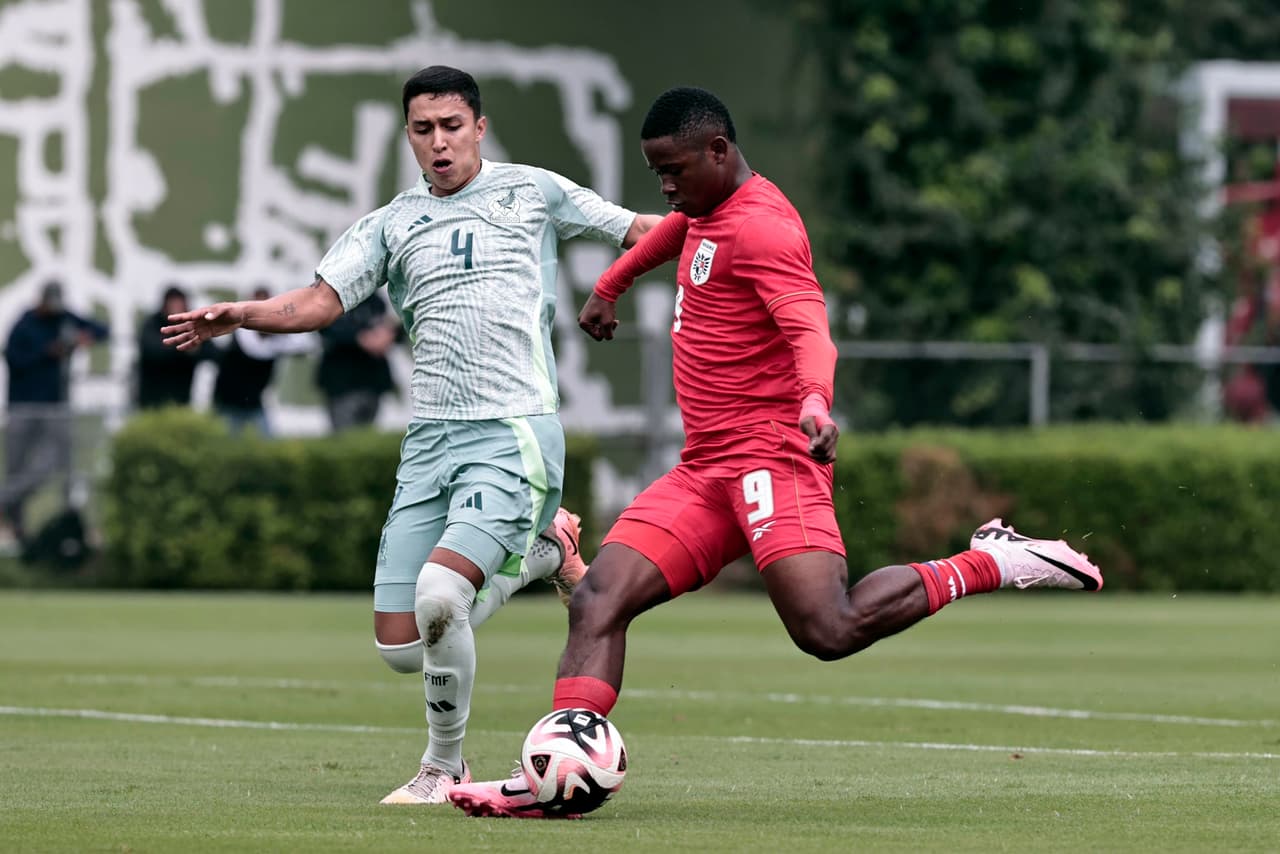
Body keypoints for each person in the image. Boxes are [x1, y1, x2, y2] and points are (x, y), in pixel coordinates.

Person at [448, 87, 1104, 819]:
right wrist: (611, 284)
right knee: (599, 597)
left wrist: (817, 400)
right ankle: (550, 779)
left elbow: (809, 330)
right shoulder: (706, 210)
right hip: (705, 469)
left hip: (771, 459)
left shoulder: (763, 229)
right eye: (655, 171)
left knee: (828, 630)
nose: (665, 186)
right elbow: (675, 230)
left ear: (719, 152)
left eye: (674, 169)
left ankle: (991, 560)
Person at [162, 66, 662, 804]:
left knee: (439, 595)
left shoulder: (532, 190)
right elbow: (317, 302)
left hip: (511, 429)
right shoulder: (391, 223)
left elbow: (639, 230)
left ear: (480, 127)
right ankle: (544, 553)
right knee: (402, 645)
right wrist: (242, 314)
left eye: (452, 126)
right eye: (423, 129)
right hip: (429, 443)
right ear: (408, 135)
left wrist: (727, 224)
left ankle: (442, 767)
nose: (439, 142)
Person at [2, 281, 108, 546]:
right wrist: (48, 352)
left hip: (56, 407)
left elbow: (101, 329)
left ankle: (11, 502)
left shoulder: (64, 318)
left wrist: (84, 339)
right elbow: (13, 356)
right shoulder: (25, 324)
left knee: (57, 463)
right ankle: (17, 527)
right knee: (16, 466)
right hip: (23, 407)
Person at [210, 285, 315, 436]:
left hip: (255, 401)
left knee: (267, 445)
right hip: (229, 402)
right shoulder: (239, 335)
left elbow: (307, 343)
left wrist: (287, 325)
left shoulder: (277, 338)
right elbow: (255, 348)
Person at [316, 292, 400, 431]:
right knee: (345, 439)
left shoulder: (376, 300)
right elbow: (325, 329)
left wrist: (388, 335)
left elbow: (395, 326)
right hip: (342, 381)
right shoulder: (332, 298)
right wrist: (360, 338)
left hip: (373, 380)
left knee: (367, 438)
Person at [137, 285, 206, 409]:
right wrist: (184, 347)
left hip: (182, 398)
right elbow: (151, 350)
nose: (176, 306)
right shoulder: (152, 323)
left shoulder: (193, 324)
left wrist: (196, 349)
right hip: (152, 398)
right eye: (173, 302)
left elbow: (212, 352)